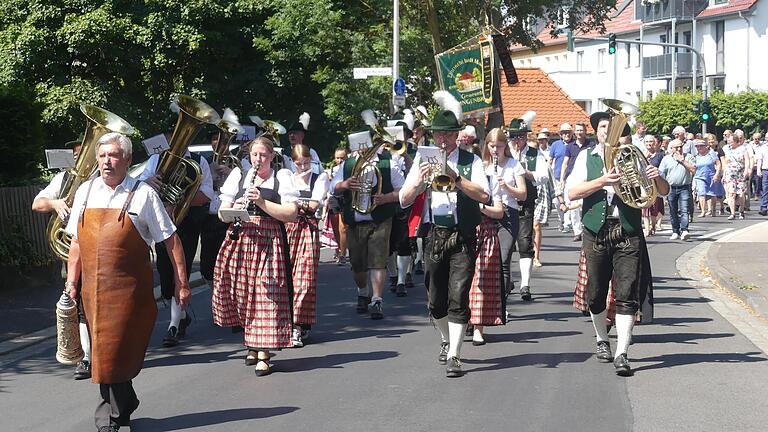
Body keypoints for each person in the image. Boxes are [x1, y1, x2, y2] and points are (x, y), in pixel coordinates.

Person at [65, 132, 190, 431]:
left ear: (128, 159)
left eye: (114, 156)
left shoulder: (143, 194)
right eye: (103, 156)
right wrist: (71, 281)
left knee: (114, 351)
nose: (107, 162)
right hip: (92, 291)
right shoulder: (84, 191)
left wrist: (182, 283)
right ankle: (125, 403)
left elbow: (171, 240)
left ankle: (108, 419)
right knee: (103, 353)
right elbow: (77, 243)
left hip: (128, 293)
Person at [566, 111, 669, 376]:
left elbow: (662, 191)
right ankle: (602, 339)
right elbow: (572, 192)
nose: (607, 132)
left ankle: (622, 352)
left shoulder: (633, 155)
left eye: (612, 128)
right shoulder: (585, 157)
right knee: (596, 292)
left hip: (627, 230)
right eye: (603, 127)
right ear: (596, 131)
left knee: (627, 292)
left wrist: (655, 177)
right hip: (596, 231)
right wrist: (602, 181)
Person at [399, 91, 490, 377]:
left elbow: (485, 195)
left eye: (447, 136)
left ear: (456, 136)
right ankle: (446, 339)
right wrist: (420, 184)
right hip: (435, 233)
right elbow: (403, 198)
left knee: (458, 294)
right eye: (438, 135)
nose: (442, 141)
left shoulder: (470, 160)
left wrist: (456, 177)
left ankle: (455, 355)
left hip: (462, 232)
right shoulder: (422, 158)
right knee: (435, 300)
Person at [213, 136, 298, 376]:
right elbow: (221, 213)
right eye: (254, 156)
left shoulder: (282, 177)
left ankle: (264, 353)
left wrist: (260, 201)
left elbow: (291, 213)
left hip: (269, 239)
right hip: (241, 240)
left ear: (271, 157)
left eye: (263, 155)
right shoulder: (239, 175)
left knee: (266, 295)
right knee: (241, 294)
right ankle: (251, 343)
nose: (258, 160)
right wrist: (236, 208)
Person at [139, 135, 214, 347]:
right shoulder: (156, 160)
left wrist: (183, 198)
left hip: (187, 222)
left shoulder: (199, 162)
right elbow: (141, 185)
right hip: (160, 221)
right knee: (164, 273)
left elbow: (207, 193)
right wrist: (147, 182)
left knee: (182, 271)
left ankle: (173, 325)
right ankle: (181, 316)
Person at [32, 138, 93, 380]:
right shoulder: (64, 179)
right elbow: (37, 204)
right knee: (76, 302)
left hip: (100, 248)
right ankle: (86, 357)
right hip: (72, 251)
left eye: (87, 154)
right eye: (78, 155)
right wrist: (55, 203)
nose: (82, 160)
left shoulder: (103, 181)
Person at [330, 128, 405, 320]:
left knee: (378, 261)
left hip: (380, 219)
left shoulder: (388, 164)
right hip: (355, 221)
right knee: (358, 265)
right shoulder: (348, 164)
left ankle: (377, 300)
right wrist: (345, 185)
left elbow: (404, 192)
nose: (364, 150)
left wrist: (387, 197)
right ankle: (363, 292)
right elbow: (333, 188)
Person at [475, 128, 526, 336]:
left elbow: (522, 195)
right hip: (485, 215)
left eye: (500, 146)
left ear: (506, 146)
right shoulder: (481, 166)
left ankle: (501, 305)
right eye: (492, 146)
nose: (496, 150)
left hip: (507, 214)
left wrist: (506, 187)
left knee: (503, 260)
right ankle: (482, 308)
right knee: (484, 264)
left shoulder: (514, 165)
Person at [285, 144, 328, 347]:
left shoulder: (319, 177)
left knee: (305, 279)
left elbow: (313, 205)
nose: (303, 167)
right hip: (285, 230)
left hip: (307, 231)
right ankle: (286, 322)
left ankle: (298, 325)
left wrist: (294, 203)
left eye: (306, 163)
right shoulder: (285, 177)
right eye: (299, 163)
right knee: (284, 279)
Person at [509, 116, 549, 301]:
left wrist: (524, 172)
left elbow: (543, 177)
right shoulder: (505, 153)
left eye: (520, 137)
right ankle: (506, 280)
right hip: (506, 202)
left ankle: (525, 284)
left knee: (524, 243)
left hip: (526, 203)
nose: (517, 141)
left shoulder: (535, 154)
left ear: (526, 137)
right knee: (506, 245)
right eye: (514, 137)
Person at [559, 122, 592, 241]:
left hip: (586, 178)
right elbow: (565, 162)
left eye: (581, 130)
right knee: (573, 206)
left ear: (585, 131)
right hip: (572, 178)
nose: (579, 132)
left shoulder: (591, 145)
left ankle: (588, 229)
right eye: (577, 130)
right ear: (575, 132)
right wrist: (562, 179)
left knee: (585, 205)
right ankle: (577, 231)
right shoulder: (570, 146)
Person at [658, 139, 695, 240]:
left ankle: (685, 230)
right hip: (671, 188)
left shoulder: (689, 157)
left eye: (680, 147)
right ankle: (675, 231)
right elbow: (661, 173)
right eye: (676, 147)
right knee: (673, 210)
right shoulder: (666, 159)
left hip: (684, 187)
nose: (679, 149)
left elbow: (693, 169)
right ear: (672, 149)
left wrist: (682, 160)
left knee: (684, 209)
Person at [531, 131, 554, 267]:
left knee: (536, 226)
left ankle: (536, 255)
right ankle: (527, 252)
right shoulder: (519, 162)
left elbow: (552, 183)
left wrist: (560, 200)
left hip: (541, 197)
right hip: (525, 197)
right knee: (526, 228)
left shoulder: (543, 163)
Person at [326, 147, 349, 264]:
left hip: (345, 197)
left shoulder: (348, 169)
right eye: (337, 158)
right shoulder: (332, 170)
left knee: (343, 227)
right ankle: (339, 248)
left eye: (342, 158)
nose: (340, 160)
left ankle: (342, 253)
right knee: (335, 227)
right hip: (333, 198)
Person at [723, 129, 752, 219]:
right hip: (730, 174)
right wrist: (724, 173)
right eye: (728, 142)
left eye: (731, 141)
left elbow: (747, 160)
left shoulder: (743, 149)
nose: (729, 143)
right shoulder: (727, 150)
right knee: (731, 193)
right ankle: (732, 213)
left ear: (736, 141)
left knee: (741, 194)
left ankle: (741, 210)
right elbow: (726, 162)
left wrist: (747, 170)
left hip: (740, 174)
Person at [549, 123, 572, 232]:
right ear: (561, 134)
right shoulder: (555, 145)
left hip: (570, 176)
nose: (566, 134)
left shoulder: (574, 145)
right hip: (557, 176)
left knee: (568, 200)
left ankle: (567, 223)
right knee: (557, 202)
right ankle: (562, 220)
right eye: (564, 132)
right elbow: (550, 159)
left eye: (568, 132)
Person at [641, 135, 665, 236]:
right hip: (645, 184)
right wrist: (644, 158)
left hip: (655, 184)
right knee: (645, 207)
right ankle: (647, 228)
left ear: (655, 143)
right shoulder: (641, 154)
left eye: (651, 141)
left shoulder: (659, 155)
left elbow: (662, 169)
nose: (649, 144)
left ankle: (653, 225)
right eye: (647, 142)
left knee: (654, 208)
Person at [692, 139, 722, 218]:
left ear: (705, 146)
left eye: (701, 146)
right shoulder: (696, 156)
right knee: (701, 193)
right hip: (699, 177)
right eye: (697, 147)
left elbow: (718, 164)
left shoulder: (711, 154)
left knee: (712, 194)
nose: (699, 148)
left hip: (711, 176)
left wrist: (717, 174)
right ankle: (703, 211)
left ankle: (713, 209)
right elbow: (693, 167)